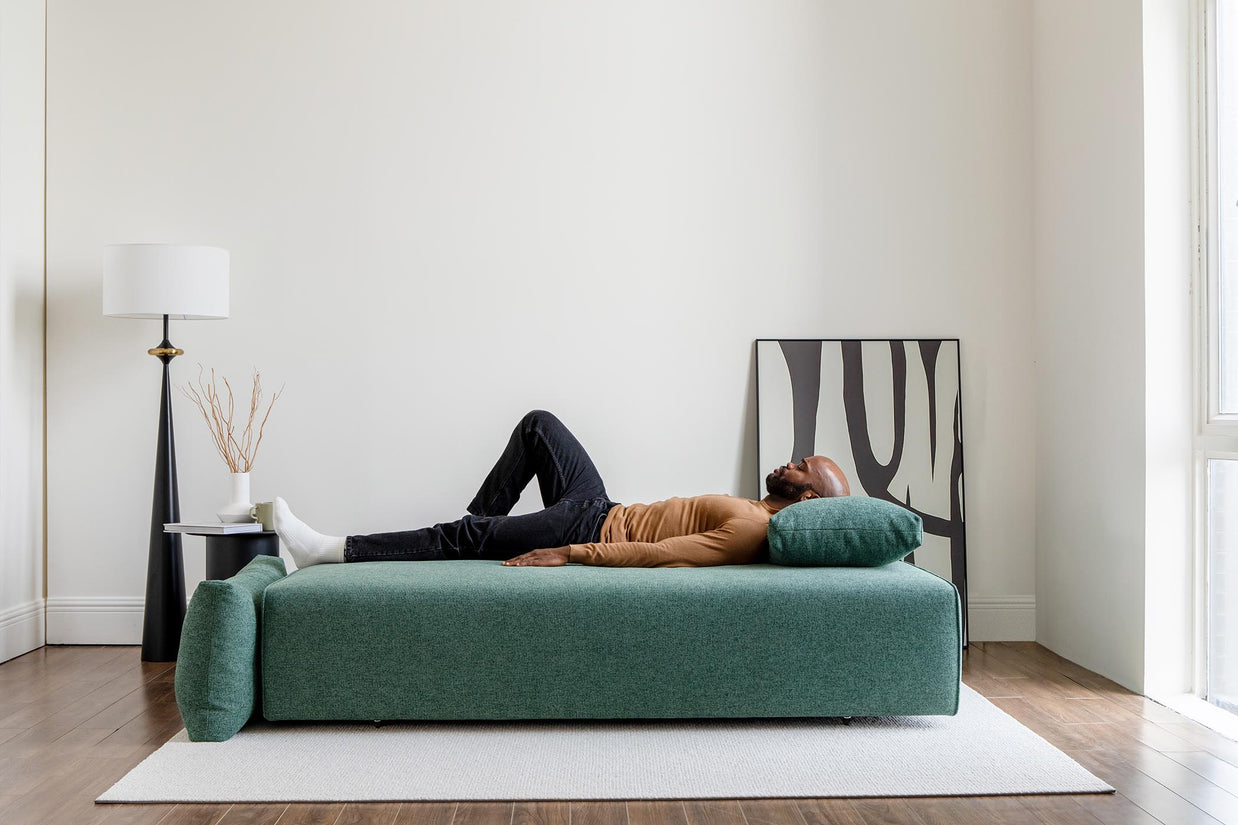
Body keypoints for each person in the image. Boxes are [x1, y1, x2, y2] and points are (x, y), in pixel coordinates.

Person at [273, 409, 850, 569]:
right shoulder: (753, 508)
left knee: (460, 537)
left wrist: (570, 552)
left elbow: (661, 554)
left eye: (802, 466)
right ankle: (481, 529)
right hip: (602, 506)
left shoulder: (752, 527)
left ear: (808, 499)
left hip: (587, 528)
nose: (789, 462)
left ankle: (328, 549)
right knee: (539, 425)